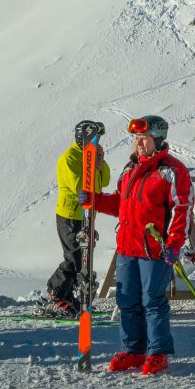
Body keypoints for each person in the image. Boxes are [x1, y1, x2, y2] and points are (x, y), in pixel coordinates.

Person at [81, 115, 193, 376]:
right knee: (127, 300)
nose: (138, 144)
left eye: (143, 139)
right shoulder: (129, 170)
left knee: (152, 301)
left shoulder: (172, 171)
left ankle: (157, 352)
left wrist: (175, 243)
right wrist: (95, 200)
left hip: (155, 249)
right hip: (127, 247)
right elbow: (120, 203)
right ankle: (134, 350)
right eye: (136, 139)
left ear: (157, 140)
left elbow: (182, 209)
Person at [42, 120, 111, 317]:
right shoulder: (70, 158)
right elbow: (81, 186)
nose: (97, 142)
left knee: (83, 258)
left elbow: (103, 181)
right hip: (70, 215)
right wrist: (92, 166)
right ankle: (54, 294)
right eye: (94, 138)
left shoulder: (90, 155)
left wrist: (100, 163)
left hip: (87, 215)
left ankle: (68, 295)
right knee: (75, 257)